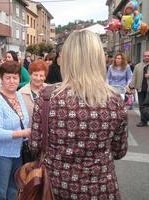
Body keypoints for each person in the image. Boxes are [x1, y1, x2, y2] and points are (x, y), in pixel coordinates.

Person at [29, 30, 128, 200]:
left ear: (66, 58)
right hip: (101, 188)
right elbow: (119, 151)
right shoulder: (115, 100)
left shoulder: (47, 97)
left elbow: (34, 145)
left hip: (54, 188)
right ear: (99, 59)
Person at [0, 61, 30, 200]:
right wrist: (23, 133)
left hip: (17, 152)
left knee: (14, 189)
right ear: (2, 78)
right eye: (8, 77)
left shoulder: (19, 96)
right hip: (0, 154)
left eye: (15, 77)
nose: (12, 81)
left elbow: (23, 121)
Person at [19, 60, 48, 127]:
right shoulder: (21, 93)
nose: (38, 78)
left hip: (45, 131)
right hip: (27, 131)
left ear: (45, 77)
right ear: (30, 75)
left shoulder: (50, 91)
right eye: (35, 75)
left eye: (41, 76)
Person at [128, 50, 149, 127]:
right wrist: (131, 87)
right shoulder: (138, 66)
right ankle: (143, 121)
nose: (147, 57)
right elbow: (134, 78)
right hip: (140, 89)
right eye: (145, 55)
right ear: (143, 56)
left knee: (147, 105)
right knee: (141, 106)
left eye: (148, 56)